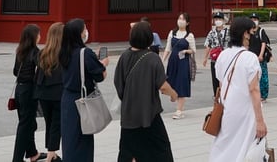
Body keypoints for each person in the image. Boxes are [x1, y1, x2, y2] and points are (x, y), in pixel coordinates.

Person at [115, 21, 178, 162]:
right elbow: (163, 86)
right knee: (160, 151)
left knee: (129, 152)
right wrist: (174, 94)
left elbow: (118, 84)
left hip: (129, 115)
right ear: (149, 37)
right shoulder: (152, 58)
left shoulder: (124, 56)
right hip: (149, 115)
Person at [210, 16, 267, 162]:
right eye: (251, 32)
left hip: (228, 109)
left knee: (226, 146)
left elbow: (221, 84)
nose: (252, 35)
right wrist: (260, 121)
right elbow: (254, 89)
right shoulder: (250, 58)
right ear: (245, 34)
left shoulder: (223, 55)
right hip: (246, 111)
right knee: (245, 149)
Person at [59, 19, 109, 162]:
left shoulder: (64, 51)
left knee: (69, 140)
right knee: (82, 141)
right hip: (81, 101)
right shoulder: (85, 53)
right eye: (84, 29)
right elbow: (100, 76)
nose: (86, 32)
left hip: (67, 99)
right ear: (79, 33)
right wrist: (103, 64)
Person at [12, 24, 43, 162]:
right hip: (29, 91)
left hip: (19, 89)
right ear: (33, 37)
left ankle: (32, 153)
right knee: (25, 125)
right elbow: (40, 72)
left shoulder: (20, 51)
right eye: (38, 34)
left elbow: (15, 71)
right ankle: (17, 159)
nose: (40, 36)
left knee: (28, 123)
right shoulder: (36, 52)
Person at [35, 22, 65, 162]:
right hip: (58, 93)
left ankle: (51, 151)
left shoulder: (42, 52)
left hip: (43, 93)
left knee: (50, 123)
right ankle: (51, 154)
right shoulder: (64, 54)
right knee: (56, 124)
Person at [162, 12, 196, 119]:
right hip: (173, 61)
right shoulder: (172, 33)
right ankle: (173, 95)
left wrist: (186, 51)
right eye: (179, 18)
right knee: (171, 82)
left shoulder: (189, 35)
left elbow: (193, 50)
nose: (180, 20)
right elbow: (168, 48)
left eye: (183, 19)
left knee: (181, 84)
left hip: (183, 63)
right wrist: (163, 59)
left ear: (187, 23)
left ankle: (179, 110)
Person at [202, 12, 230, 95]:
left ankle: (225, 94)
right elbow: (208, 45)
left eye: (220, 19)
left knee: (225, 77)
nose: (218, 21)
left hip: (226, 59)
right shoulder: (211, 33)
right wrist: (205, 58)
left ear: (223, 20)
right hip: (215, 59)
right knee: (215, 78)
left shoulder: (229, 32)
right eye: (216, 19)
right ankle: (217, 95)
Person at [248, 13, 272, 101]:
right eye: (252, 19)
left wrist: (261, 55)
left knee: (263, 76)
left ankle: (263, 95)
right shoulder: (248, 32)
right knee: (251, 76)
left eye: (255, 19)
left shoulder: (261, 31)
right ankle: (252, 93)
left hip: (259, 57)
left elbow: (263, 43)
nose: (253, 21)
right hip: (250, 58)